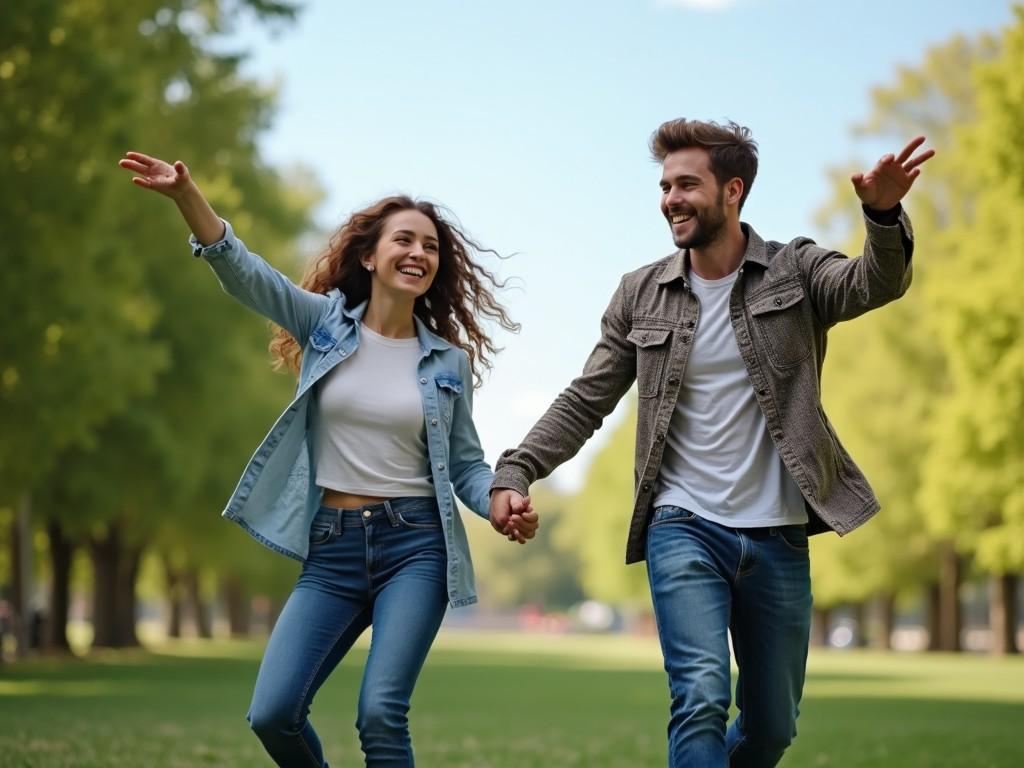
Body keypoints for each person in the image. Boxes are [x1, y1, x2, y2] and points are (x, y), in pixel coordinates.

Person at [489, 119, 933, 767]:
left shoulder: (795, 269)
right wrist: (517, 470)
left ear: (732, 191)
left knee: (771, 728)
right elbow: (587, 397)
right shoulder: (641, 293)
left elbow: (875, 282)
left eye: (686, 184)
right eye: (665, 185)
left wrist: (883, 216)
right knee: (698, 694)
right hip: (684, 526)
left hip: (777, 536)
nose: (670, 197)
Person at [118, 151, 539, 767]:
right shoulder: (324, 326)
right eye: (404, 239)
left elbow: (467, 465)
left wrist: (500, 497)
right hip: (332, 547)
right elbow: (246, 274)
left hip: (416, 547)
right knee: (274, 714)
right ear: (370, 255)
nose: (419, 252)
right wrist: (187, 197)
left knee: (380, 715)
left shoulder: (448, 362)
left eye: (430, 245)